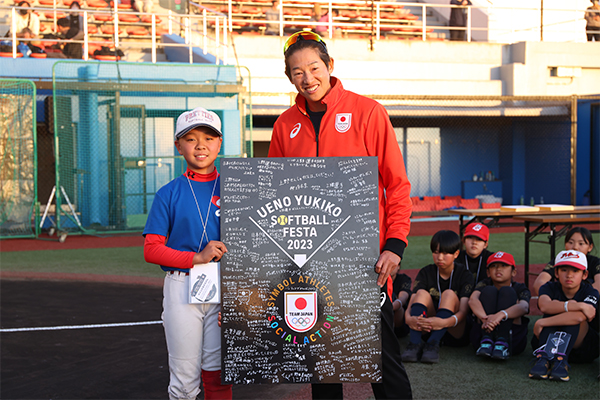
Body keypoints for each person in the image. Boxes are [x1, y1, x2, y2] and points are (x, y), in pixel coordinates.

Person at [268, 31, 413, 399]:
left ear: (330, 66)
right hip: (309, 263)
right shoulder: (285, 125)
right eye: (297, 72)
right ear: (289, 77)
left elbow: (396, 185)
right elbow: (274, 193)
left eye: (314, 67)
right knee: (323, 363)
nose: (307, 78)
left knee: (381, 361)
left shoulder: (368, 112)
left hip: (364, 261)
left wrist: (394, 245)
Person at [143, 107, 233, 400]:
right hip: (183, 285)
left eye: (209, 137)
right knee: (184, 380)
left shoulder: (238, 189)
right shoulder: (168, 193)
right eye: (191, 139)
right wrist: (196, 257)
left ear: (220, 143)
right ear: (178, 145)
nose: (200, 145)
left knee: (220, 373)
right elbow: (152, 250)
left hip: (227, 286)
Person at [401, 230, 474, 364]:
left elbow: (464, 311)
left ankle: (432, 346)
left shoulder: (465, 274)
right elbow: (413, 299)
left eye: (445, 253)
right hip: (428, 327)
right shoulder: (426, 272)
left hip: (455, 331)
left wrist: (444, 322)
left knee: (449, 294)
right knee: (421, 293)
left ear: (456, 254)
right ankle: (414, 344)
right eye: (436, 252)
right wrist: (408, 318)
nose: (440, 257)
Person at [529, 250, 599, 382]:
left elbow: (579, 318)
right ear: (556, 273)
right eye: (564, 270)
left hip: (582, 348)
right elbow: (544, 306)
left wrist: (542, 323)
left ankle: (561, 360)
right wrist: (576, 305)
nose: (569, 275)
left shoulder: (590, 291)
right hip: (550, 341)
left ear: (585, 274)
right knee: (556, 311)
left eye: (575, 271)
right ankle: (543, 358)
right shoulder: (549, 287)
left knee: (571, 318)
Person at [468, 251, 530, 360]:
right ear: (488, 272)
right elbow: (472, 300)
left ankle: (502, 341)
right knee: (489, 291)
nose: (498, 269)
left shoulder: (520, 287)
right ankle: (486, 340)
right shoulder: (484, 284)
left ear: (513, 272)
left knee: (508, 292)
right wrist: (486, 320)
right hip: (482, 335)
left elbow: (524, 307)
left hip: (513, 339)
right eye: (494, 266)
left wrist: (501, 315)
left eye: (504, 266)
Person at [532, 227, 600, 297]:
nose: (575, 247)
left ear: (590, 247)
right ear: (565, 244)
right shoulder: (559, 260)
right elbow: (539, 283)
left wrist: (583, 297)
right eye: (570, 242)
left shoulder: (595, 262)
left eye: (581, 244)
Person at [392, 271, 412, 338]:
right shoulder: (377, 280)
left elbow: (403, 297)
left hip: (400, 320)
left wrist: (391, 306)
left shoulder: (403, 279)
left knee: (399, 307)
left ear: (398, 266)